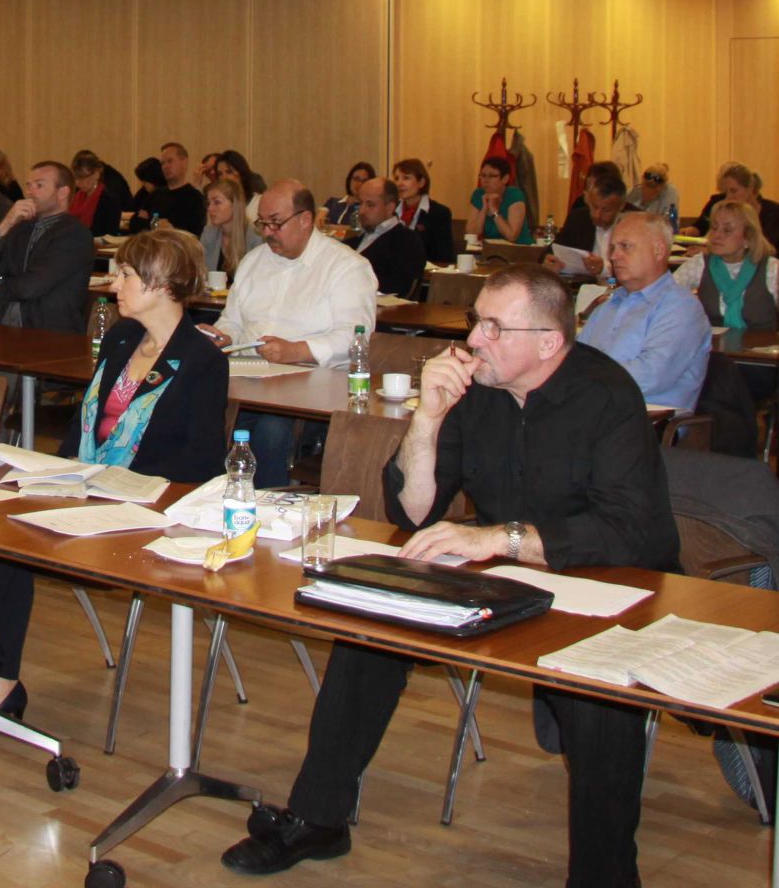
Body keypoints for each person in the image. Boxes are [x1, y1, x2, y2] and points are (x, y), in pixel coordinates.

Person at [221, 265, 678, 883]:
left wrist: (495, 538)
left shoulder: (608, 396)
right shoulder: (477, 390)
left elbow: (627, 532)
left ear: (549, 342)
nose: (475, 340)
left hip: (611, 581)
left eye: (494, 327)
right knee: (371, 623)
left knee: (599, 693)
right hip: (506, 573)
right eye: (475, 322)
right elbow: (415, 512)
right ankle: (319, 817)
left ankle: (606, 875)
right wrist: (428, 420)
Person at [0, 230, 229, 732]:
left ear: (162, 284)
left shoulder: (202, 361)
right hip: (87, 485)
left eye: (126, 275)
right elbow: (85, 424)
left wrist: (114, 484)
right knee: (0, 515)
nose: (113, 284)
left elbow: (200, 463)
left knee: (20, 534)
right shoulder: (120, 339)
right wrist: (55, 475)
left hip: (145, 507)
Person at [212, 179, 377, 487]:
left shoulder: (346, 266)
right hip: (249, 378)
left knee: (270, 430)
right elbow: (232, 320)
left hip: (312, 387)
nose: (267, 232)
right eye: (262, 223)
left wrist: (298, 350)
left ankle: (267, 503)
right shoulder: (254, 261)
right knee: (201, 407)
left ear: (305, 219)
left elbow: (356, 337)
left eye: (276, 223)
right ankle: (208, 497)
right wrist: (223, 335)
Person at [579, 212, 711, 411]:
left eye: (625, 246)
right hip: (596, 411)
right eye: (612, 248)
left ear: (658, 251)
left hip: (645, 419)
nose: (613, 256)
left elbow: (651, 376)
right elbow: (576, 358)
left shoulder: (681, 308)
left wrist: (581, 381)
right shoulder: (607, 306)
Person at [0, 161, 95, 331]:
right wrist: (4, 226)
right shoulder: (20, 227)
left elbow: (29, 287)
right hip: (0, 326)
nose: (29, 192)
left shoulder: (74, 234)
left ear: (62, 192)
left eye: (39, 185)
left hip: (47, 333)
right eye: (28, 185)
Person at [674, 198, 779, 333]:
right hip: (712, 345)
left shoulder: (772, 269)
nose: (716, 235)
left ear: (748, 237)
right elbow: (665, 296)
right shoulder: (700, 264)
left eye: (727, 230)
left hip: (761, 346)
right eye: (714, 228)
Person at [353, 175, 426, 299]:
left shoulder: (406, 241)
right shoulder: (352, 241)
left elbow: (399, 288)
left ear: (389, 208)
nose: (361, 211)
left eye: (370, 205)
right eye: (360, 203)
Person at [693, 162, 779, 256]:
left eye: (734, 191)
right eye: (725, 193)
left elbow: (774, 252)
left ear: (750, 188)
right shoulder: (724, 212)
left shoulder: (776, 214)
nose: (728, 197)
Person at [557, 162, 629, 271]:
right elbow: (552, 251)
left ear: (621, 206)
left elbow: (639, 268)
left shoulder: (634, 224)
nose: (597, 215)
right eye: (594, 207)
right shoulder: (578, 218)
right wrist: (549, 262)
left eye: (606, 210)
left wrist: (604, 268)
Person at [391, 158, 454, 265]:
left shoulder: (439, 213)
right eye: (396, 178)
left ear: (421, 182)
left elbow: (444, 256)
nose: (399, 183)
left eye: (406, 178)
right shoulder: (391, 210)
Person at [199, 177, 261, 282]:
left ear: (235, 204)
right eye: (209, 203)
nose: (210, 208)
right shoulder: (209, 233)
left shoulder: (254, 238)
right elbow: (201, 273)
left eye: (217, 202)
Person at [471, 154, 532, 245]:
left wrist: (494, 210)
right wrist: (484, 209)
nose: (486, 180)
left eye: (492, 176)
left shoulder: (514, 195)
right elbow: (471, 233)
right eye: (483, 175)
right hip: (491, 249)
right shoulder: (478, 194)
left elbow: (512, 236)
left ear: (505, 179)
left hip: (519, 249)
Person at [150, 143, 208, 234]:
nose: (165, 166)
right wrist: (156, 225)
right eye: (162, 163)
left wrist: (172, 231)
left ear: (184, 163)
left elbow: (197, 233)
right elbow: (153, 222)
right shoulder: (156, 195)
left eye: (170, 161)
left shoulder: (195, 197)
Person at [323, 162, 376, 228]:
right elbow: (319, 225)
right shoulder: (332, 202)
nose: (359, 184)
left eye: (364, 181)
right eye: (356, 179)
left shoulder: (368, 209)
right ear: (349, 180)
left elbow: (359, 230)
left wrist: (330, 227)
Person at [630, 163, 683, 229]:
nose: (648, 192)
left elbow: (671, 222)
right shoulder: (634, 192)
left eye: (653, 187)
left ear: (661, 188)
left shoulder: (670, 193)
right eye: (646, 186)